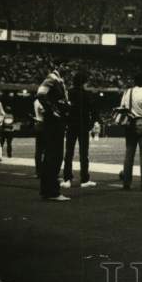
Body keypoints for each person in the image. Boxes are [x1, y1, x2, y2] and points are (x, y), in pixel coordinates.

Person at [36, 61, 71, 201]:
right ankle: (52, 191)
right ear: (58, 66)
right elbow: (40, 93)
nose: (67, 68)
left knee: (52, 155)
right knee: (55, 155)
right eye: (65, 65)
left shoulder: (58, 80)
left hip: (54, 121)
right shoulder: (52, 78)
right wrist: (53, 110)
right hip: (54, 122)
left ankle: (47, 190)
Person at [119, 73, 142, 191]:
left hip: (129, 124)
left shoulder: (127, 92)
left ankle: (126, 182)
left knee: (129, 154)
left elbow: (122, 107)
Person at [62, 69, 96, 189]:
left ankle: (67, 178)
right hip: (83, 126)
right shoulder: (87, 94)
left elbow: (64, 109)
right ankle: (84, 179)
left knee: (69, 153)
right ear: (83, 82)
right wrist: (91, 124)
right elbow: (93, 111)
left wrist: (66, 122)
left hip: (71, 125)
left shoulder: (68, 92)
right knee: (84, 154)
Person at [33, 93, 46, 179]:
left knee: (39, 150)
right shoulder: (41, 102)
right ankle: (42, 171)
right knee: (44, 150)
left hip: (39, 124)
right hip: (43, 124)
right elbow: (44, 112)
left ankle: (39, 171)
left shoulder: (36, 101)